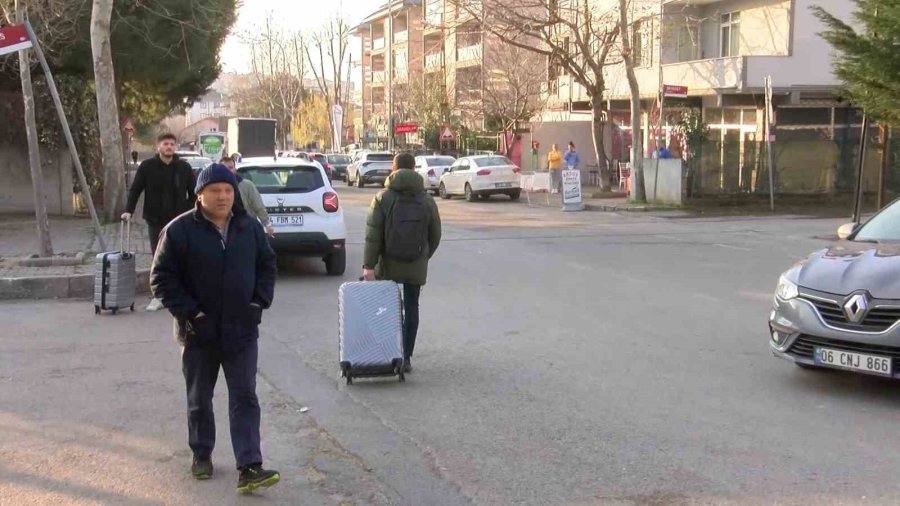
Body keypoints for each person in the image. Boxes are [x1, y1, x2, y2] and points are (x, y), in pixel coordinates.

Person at [150, 164, 279, 494]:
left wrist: (257, 304)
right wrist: (193, 315)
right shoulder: (178, 231)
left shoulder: (248, 228)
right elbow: (161, 279)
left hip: (241, 331)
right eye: (215, 191)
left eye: (228, 190)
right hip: (198, 334)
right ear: (200, 195)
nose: (223, 196)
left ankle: (250, 465)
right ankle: (201, 453)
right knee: (199, 399)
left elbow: (267, 266)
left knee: (245, 397)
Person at [362, 153, 442, 373]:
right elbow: (435, 234)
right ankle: (406, 357)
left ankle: (388, 352)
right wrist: (423, 255)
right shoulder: (426, 199)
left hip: (387, 264)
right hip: (416, 262)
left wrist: (369, 265)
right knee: (412, 308)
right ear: (414, 169)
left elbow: (373, 236)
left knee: (385, 309)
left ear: (393, 168)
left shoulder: (382, 198)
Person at [123, 133, 196, 312]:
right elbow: (135, 189)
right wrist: (128, 210)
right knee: (158, 257)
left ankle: (180, 293)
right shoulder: (147, 167)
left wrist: (188, 210)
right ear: (158, 147)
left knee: (180, 256)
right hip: (155, 220)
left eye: (172, 144)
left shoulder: (184, 167)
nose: (169, 147)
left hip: (179, 221)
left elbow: (195, 192)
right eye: (165, 144)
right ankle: (159, 296)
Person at [220, 156, 274, 236]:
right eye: (224, 168)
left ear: (235, 169)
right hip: (225, 229)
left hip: (246, 228)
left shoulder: (246, 185)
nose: (228, 171)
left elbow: (258, 205)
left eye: (231, 168)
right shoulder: (216, 188)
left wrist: (267, 224)